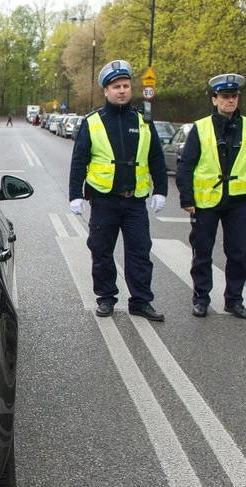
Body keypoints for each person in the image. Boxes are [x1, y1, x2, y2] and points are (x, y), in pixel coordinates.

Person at [68, 60, 169, 321]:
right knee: (101, 251)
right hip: (104, 200)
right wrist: (75, 195)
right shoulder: (93, 122)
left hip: (134, 201)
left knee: (140, 253)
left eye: (125, 86)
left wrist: (161, 189)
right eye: (116, 87)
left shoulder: (143, 121)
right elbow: (79, 160)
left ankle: (141, 301)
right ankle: (106, 297)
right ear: (106, 91)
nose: (122, 91)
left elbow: (156, 157)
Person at [176, 73, 246, 319]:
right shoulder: (201, 127)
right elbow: (186, 164)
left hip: (237, 201)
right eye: (225, 96)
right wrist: (187, 198)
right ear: (214, 99)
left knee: (239, 252)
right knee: (202, 253)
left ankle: (234, 300)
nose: (230, 101)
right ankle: (201, 298)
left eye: (234, 96)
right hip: (206, 201)